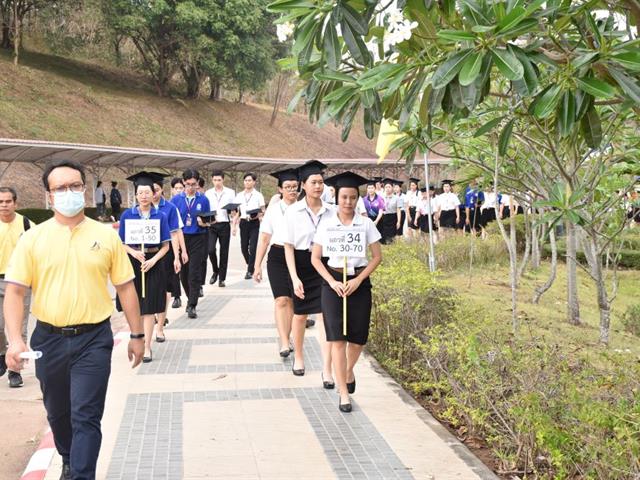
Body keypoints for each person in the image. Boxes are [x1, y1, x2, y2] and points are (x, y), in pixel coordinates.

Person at [3, 159, 144, 480]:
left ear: (85, 190)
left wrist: (137, 335)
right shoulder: (33, 239)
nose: (69, 192)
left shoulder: (106, 236)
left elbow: (125, 287)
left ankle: (81, 473)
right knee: (59, 413)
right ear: (49, 197)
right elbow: (14, 293)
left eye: (75, 186)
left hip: (93, 339)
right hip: (48, 339)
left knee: (87, 415)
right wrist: (15, 339)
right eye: (60, 188)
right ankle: (68, 455)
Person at [311, 172, 382, 413]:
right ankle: (343, 392)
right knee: (337, 338)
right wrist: (331, 282)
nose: (348, 202)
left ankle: (349, 370)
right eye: (344, 197)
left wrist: (359, 280)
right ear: (336, 197)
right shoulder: (327, 224)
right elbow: (316, 258)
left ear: (357, 198)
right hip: (333, 284)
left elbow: (377, 257)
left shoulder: (366, 223)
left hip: (359, 283)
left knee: (358, 338)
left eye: (352, 197)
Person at [283, 160, 334, 385]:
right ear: (303, 185)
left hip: (324, 264)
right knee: (301, 315)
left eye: (321, 182)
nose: (318, 186)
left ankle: (327, 369)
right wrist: (294, 277)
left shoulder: (331, 211)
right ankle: (300, 358)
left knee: (326, 317)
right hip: (302, 264)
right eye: (313, 182)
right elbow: (288, 246)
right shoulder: (293, 211)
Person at [117, 173, 171, 362]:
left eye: (147, 192)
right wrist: (134, 253)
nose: (144, 196)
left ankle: (147, 346)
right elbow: (121, 243)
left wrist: (153, 260)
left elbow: (166, 246)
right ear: (136, 195)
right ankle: (136, 338)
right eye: (140, 193)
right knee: (135, 305)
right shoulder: (127, 215)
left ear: (153, 193)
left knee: (149, 307)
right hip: (134, 261)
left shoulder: (160, 216)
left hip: (153, 262)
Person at [253, 168, 299, 357]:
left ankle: (291, 335)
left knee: (295, 301)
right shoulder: (273, 210)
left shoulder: (304, 208)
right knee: (281, 299)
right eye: (287, 187)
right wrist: (257, 265)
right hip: (278, 256)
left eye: (294, 187)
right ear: (280, 189)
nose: (291, 190)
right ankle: (284, 342)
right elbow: (264, 238)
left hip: (299, 257)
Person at [0, 186, 33, 388]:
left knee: (18, 328)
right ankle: (3, 354)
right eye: (0, 202)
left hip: (20, 281)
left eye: (8, 201)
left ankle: (15, 370)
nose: (4, 205)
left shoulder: (27, 225)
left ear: (15, 203)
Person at [172, 169, 211, 319]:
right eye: (187, 184)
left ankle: (192, 304)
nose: (190, 187)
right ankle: (189, 297)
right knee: (184, 273)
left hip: (198, 238)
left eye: (193, 184)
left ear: (198, 184)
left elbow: (209, 221)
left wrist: (204, 223)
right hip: (181, 239)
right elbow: (173, 223)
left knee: (194, 273)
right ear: (183, 183)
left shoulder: (203, 200)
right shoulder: (176, 200)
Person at [150, 174, 183, 342]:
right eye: (150, 190)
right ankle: (153, 318)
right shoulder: (140, 209)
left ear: (161, 189)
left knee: (164, 290)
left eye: (155, 190)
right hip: (147, 254)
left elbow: (175, 233)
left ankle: (160, 327)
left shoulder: (169, 208)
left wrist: (177, 256)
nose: (153, 194)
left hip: (166, 252)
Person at [205, 171, 235, 288]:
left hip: (224, 224)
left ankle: (222, 278)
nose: (217, 182)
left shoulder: (230, 193)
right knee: (211, 250)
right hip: (212, 225)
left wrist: (233, 214)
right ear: (212, 180)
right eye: (215, 180)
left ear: (223, 180)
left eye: (219, 180)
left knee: (224, 252)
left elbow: (235, 209)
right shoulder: (208, 193)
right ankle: (215, 270)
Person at [232, 173, 266, 280]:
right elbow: (237, 212)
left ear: (254, 182)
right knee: (243, 248)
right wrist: (234, 226)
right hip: (243, 223)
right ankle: (251, 264)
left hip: (254, 223)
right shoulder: (239, 195)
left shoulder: (258, 195)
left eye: (250, 180)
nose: (247, 182)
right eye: (246, 180)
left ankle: (250, 271)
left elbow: (262, 210)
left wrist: (257, 216)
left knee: (252, 247)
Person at [169, 177, 188, 308]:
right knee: (174, 269)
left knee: (185, 270)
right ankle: (176, 296)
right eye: (176, 188)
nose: (179, 190)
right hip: (173, 239)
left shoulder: (186, 201)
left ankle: (191, 291)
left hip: (186, 236)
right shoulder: (171, 204)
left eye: (181, 188)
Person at [380, 178, 401, 244]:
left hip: (393, 217)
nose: (387, 188)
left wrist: (398, 221)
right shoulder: (381, 197)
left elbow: (398, 210)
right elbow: (379, 209)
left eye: (389, 187)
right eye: (386, 187)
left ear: (392, 188)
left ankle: (392, 249)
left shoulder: (397, 198)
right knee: (384, 235)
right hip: (384, 217)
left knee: (392, 236)